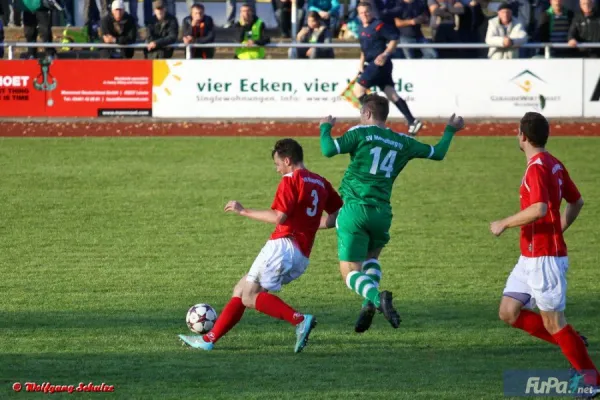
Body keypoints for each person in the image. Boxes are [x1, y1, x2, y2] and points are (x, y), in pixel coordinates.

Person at [179, 139, 343, 352]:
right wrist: (308, 226)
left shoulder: (291, 179)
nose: (277, 169)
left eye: (277, 164)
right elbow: (335, 215)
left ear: (287, 160)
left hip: (282, 247)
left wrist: (243, 211)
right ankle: (209, 340)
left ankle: (300, 320)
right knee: (240, 289)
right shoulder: (321, 183)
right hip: (301, 255)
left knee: (249, 296)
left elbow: (279, 216)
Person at [319, 93, 464, 333]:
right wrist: (450, 130)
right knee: (371, 260)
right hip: (382, 212)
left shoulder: (360, 133)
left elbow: (327, 149)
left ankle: (377, 299)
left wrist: (325, 127)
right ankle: (368, 303)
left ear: (366, 113)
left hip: (355, 209)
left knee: (349, 271)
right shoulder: (402, 141)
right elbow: (438, 153)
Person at [490, 112, 599, 388]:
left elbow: (538, 209)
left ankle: (590, 380)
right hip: (530, 257)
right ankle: (570, 340)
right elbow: (576, 202)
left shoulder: (537, 167)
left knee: (554, 322)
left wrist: (504, 222)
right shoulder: (554, 164)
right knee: (509, 312)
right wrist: (558, 228)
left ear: (522, 136)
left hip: (544, 260)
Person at [353, 2, 423, 136]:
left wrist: (385, 54)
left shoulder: (378, 25)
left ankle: (373, 121)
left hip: (379, 64)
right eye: (361, 13)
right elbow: (363, 48)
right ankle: (412, 121)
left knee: (358, 91)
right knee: (391, 94)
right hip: (373, 64)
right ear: (358, 14)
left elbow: (394, 38)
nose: (364, 15)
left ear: (372, 12)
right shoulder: (361, 28)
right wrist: (361, 64)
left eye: (366, 12)